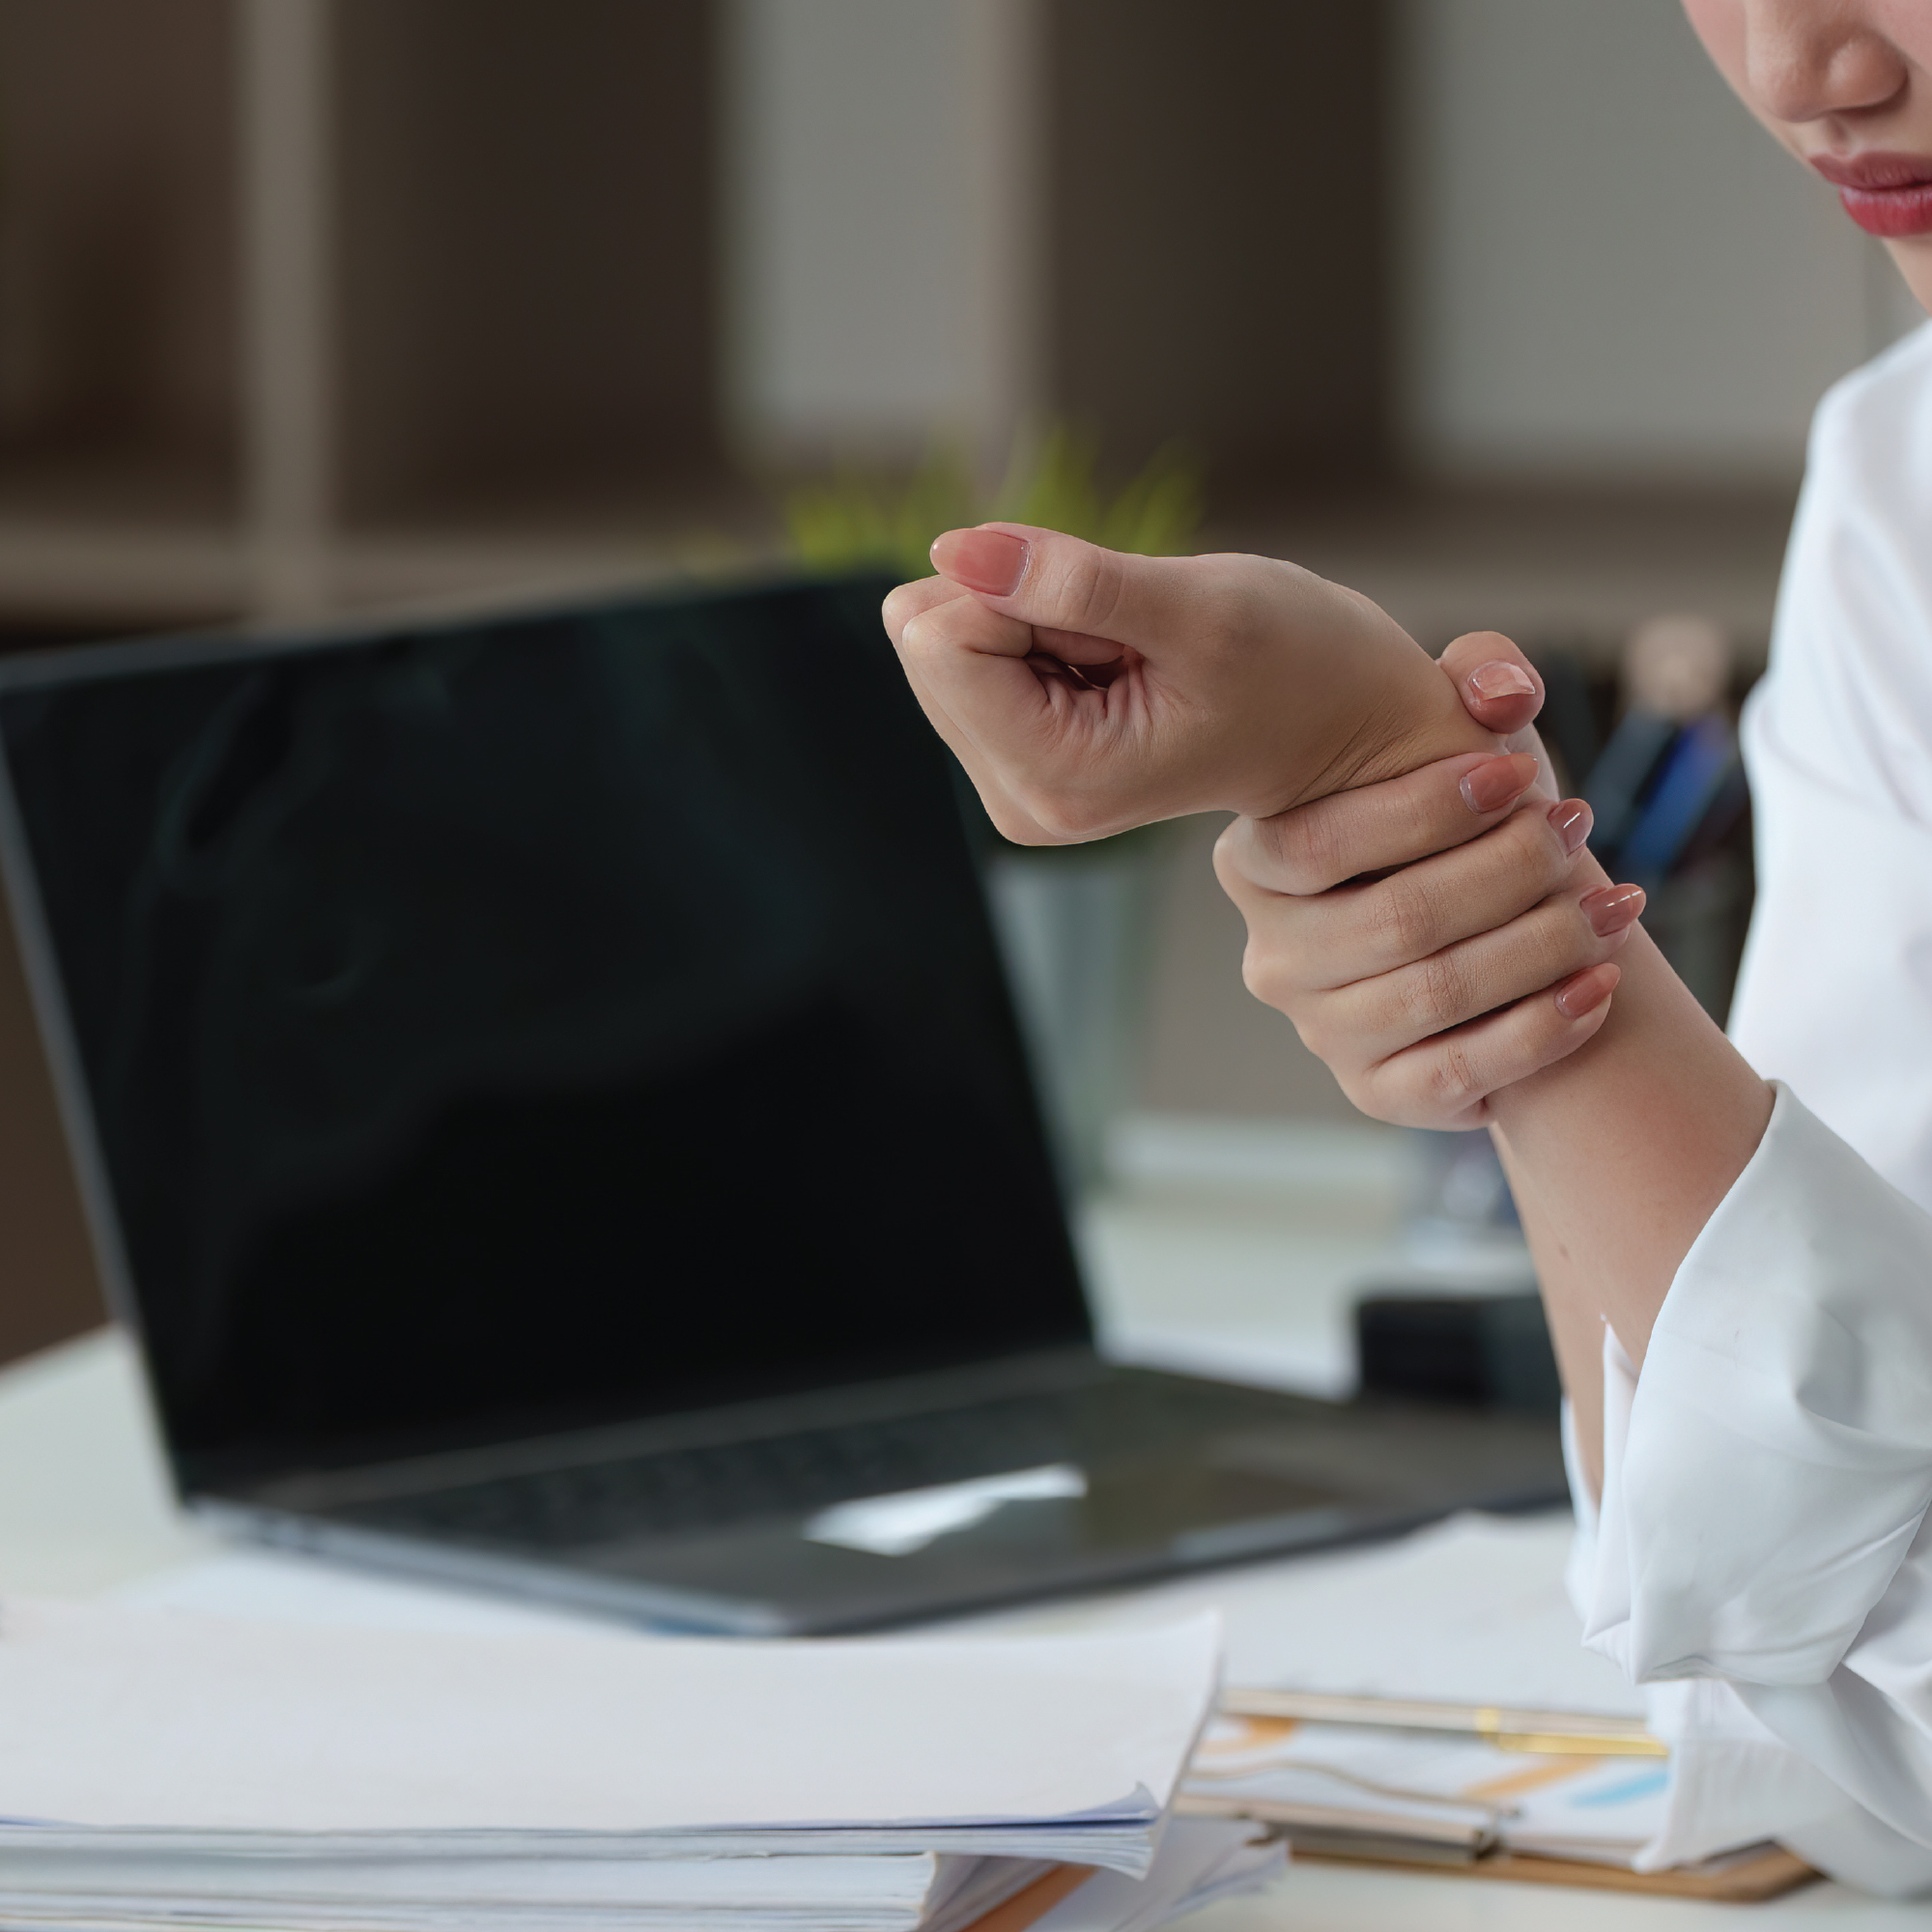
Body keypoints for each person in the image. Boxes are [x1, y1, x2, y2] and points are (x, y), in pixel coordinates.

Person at [882, 0, 1932, 1896]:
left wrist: (1485, 914)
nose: (1805, 70)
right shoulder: (1902, 487)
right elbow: (1802, 1693)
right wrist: (1438, 842)